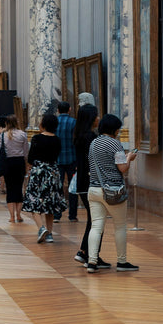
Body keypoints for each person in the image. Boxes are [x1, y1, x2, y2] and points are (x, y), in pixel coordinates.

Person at [86, 114, 139, 273]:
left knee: (96, 227)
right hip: (113, 190)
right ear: (115, 129)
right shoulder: (115, 144)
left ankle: (92, 261)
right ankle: (122, 262)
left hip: (94, 189)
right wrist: (130, 157)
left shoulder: (93, 143)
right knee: (120, 226)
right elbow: (122, 168)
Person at [72, 103, 109, 269]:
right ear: (90, 119)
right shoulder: (91, 138)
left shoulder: (80, 135)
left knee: (93, 219)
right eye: (96, 115)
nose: (98, 118)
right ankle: (88, 254)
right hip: (91, 182)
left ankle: (86, 252)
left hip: (82, 181)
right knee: (97, 220)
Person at [21, 112, 66, 243]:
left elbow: (30, 158)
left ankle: (41, 228)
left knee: (34, 201)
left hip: (39, 173)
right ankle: (50, 234)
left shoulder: (36, 138)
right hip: (52, 173)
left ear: (43, 124)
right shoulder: (57, 140)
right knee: (50, 204)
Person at [0, 114, 28, 223]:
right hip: (19, 162)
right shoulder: (23, 134)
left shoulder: (3, 135)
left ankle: (11, 216)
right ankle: (19, 215)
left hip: (8, 162)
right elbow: (25, 152)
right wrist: (26, 164)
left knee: (10, 189)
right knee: (19, 188)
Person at [55, 101, 78, 222]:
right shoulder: (74, 122)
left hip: (57, 159)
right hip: (71, 158)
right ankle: (72, 215)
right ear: (69, 109)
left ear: (58, 110)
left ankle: (57, 215)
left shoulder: (54, 123)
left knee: (58, 187)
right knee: (72, 187)